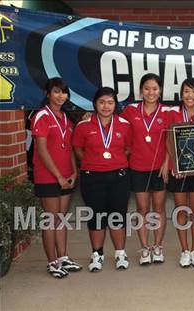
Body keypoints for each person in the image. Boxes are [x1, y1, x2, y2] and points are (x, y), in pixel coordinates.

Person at [72, 87, 132, 272]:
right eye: (102, 102)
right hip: (92, 177)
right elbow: (78, 149)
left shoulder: (124, 124)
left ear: (115, 104)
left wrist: (114, 161)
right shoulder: (83, 126)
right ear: (95, 103)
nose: (106, 106)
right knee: (97, 217)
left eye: (110, 102)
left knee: (117, 216)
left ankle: (120, 253)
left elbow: (128, 148)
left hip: (119, 176)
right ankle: (97, 254)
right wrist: (93, 162)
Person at [31, 77, 81, 278]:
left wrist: (74, 170)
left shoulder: (66, 118)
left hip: (66, 176)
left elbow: (68, 147)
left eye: (64, 92)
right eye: (56, 92)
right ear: (47, 93)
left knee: (61, 218)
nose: (61, 96)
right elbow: (42, 150)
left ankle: (63, 257)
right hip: (48, 177)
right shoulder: (41, 116)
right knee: (51, 220)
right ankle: (52, 262)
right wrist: (58, 176)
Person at [121, 73, 170, 265]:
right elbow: (116, 129)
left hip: (159, 168)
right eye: (147, 88)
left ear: (160, 91)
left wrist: (167, 162)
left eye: (155, 89)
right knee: (142, 209)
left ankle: (157, 246)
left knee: (158, 208)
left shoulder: (167, 112)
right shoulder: (130, 111)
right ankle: (144, 248)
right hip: (138, 167)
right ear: (141, 90)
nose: (151, 92)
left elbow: (170, 140)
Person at [166, 78, 194, 267]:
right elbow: (169, 141)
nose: (189, 95)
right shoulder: (173, 114)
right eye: (186, 91)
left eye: (193, 92)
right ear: (181, 94)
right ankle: (184, 251)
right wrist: (175, 165)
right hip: (179, 172)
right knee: (181, 211)